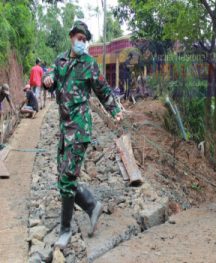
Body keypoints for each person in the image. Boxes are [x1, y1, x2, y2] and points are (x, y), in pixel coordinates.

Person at [43, 21, 123, 249]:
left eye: (85, 39)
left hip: (80, 129)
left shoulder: (89, 64)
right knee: (63, 179)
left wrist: (115, 110)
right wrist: (48, 79)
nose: (81, 42)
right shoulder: (60, 61)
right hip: (64, 128)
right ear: (71, 37)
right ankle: (91, 206)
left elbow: (103, 90)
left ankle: (65, 230)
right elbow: (50, 77)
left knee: (67, 178)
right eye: (79, 37)